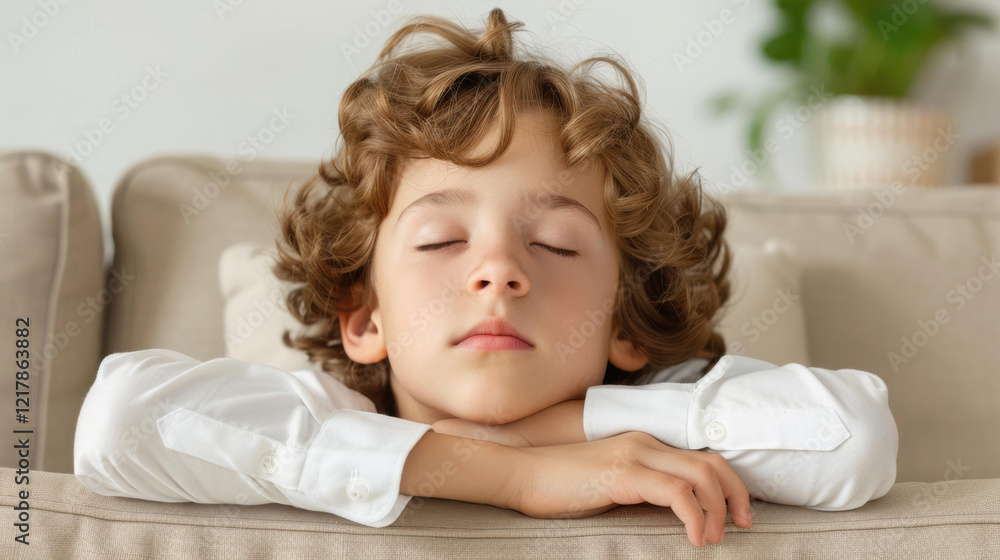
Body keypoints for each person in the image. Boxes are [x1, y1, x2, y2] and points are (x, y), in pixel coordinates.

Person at [73, 8, 898, 548]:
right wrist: (517, 473)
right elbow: (121, 422)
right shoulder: (320, 415)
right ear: (365, 319)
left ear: (622, 321)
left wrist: (574, 429)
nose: (500, 269)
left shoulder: (658, 422)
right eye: (439, 241)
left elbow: (852, 439)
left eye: (559, 246)